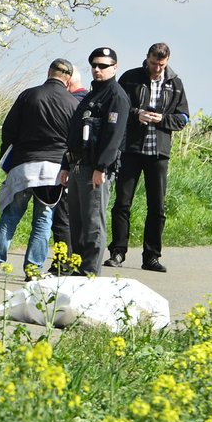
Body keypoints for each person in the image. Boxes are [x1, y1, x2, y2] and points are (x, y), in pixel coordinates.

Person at [0, 59, 78, 281]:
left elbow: (9, 131)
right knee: (43, 219)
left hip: (24, 165)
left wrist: (7, 161)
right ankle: (33, 270)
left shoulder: (28, 95)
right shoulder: (72, 103)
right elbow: (74, 142)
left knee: (11, 215)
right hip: (53, 169)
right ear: (68, 79)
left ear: (49, 71)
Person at [105, 43, 190, 273]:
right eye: (154, 63)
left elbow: (183, 118)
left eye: (161, 65)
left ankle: (151, 256)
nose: (157, 68)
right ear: (147, 58)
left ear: (167, 61)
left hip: (159, 153)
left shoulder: (175, 83)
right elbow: (116, 108)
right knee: (122, 203)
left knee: (157, 207)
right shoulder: (130, 78)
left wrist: (161, 119)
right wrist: (137, 114)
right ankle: (118, 252)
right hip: (131, 149)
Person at [58, 47, 130, 276]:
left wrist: (101, 167)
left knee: (92, 225)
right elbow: (74, 134)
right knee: (77, 225)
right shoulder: (91, 95)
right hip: (78, 166)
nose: (98, 70)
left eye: (103, 66)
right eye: (95, 65)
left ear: (114, 68)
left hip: (95, 170)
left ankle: (89, 274)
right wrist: (65, 165)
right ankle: (78, 270)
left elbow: (114, 137)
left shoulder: (116, 97)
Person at [49, 65, 89, 271]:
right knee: (70, 215)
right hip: (77, 164)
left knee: (62, 216)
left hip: (68, 163)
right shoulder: (85, 100)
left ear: (68, 80)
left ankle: (63, 262)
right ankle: (70, 260)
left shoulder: (75, 102)